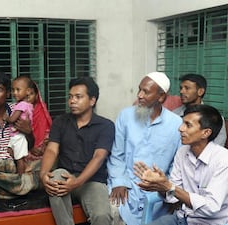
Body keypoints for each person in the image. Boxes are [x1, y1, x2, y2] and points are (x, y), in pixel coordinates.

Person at [107, 72, 182, 225]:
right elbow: (116, 154)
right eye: (139, 90)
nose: (139, 95)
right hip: (126, 188)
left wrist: (170, 193)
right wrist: (119, 182)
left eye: (146, 91)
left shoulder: (176, 124)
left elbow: (177, 165)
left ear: (161, 97)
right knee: (113, 213)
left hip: (158, 192)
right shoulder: (125, 116)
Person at [134, 104, 228, 225]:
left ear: (206, 133)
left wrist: (169, 187)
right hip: (182, 218)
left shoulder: (223, 160)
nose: (180, 128)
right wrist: (161, 187)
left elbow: (211, 207)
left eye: (188, 125)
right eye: (183, 123)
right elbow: (173, 196)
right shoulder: (182, 152)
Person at [40, 77, 115, 225]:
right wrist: (43, 175)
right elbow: (52, 151)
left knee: (102, 216)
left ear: (92, 100)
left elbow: (98, 157)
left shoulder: (105, 126)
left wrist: (77, 182)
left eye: (78, 97)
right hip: (65, 175)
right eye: (70, 97)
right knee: (54, 178)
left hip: (91, 181)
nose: (72, 101)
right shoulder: (60, 122)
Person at [172, 73, 227, 146]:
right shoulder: (174, 114)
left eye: (187, 88)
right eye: (181, 88)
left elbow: (218, 146)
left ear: (200, 91)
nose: (182, 91)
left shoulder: (214, 117)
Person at [3, 76, 34, 174]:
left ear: (28, 91)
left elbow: (13, 119)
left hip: (18, 136)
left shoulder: (21, 105)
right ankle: (24, 169)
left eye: (18, 90)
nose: (15, 93)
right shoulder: (29, 105)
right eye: (13, 90)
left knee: (19, 159)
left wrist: (6, 118)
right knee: (11, 152)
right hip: (18, 136)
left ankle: (20, 177)